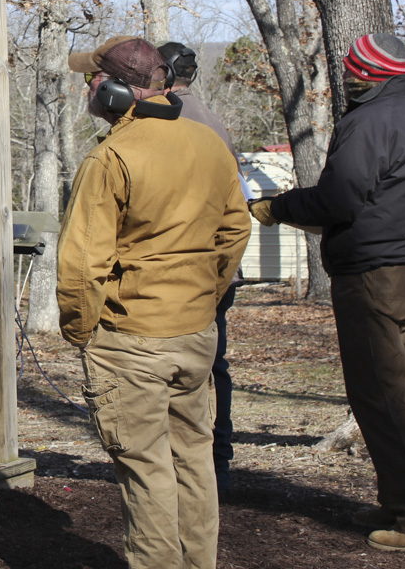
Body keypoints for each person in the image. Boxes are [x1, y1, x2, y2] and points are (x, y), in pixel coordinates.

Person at [58, 36, 250, 569]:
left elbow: (82, 266)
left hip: (132, 340)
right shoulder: (208, 143)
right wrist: (204, 300)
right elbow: (235, 233)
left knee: (146, 470)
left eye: (92, 80)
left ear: (116, 91)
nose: (86, 89)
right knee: (193, 460)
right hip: (196, 334)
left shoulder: (111, 156)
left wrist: (80, 331)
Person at [250, 32, 405, 552]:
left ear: (368, 75)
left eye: (352, 71)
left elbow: (339, 198)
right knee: (398, 390)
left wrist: (278, 207)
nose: (346, 78)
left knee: (381, 393)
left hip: (376, 273)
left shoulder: (372, 120)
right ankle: (402, 499)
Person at [158, 41, 245, 497]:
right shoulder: (213, 119)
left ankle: (195, 467)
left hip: (189, 268)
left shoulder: (173, 120)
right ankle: (217, 463)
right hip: (216, 267)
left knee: (181, 367)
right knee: (214, 365)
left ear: (166, 75)